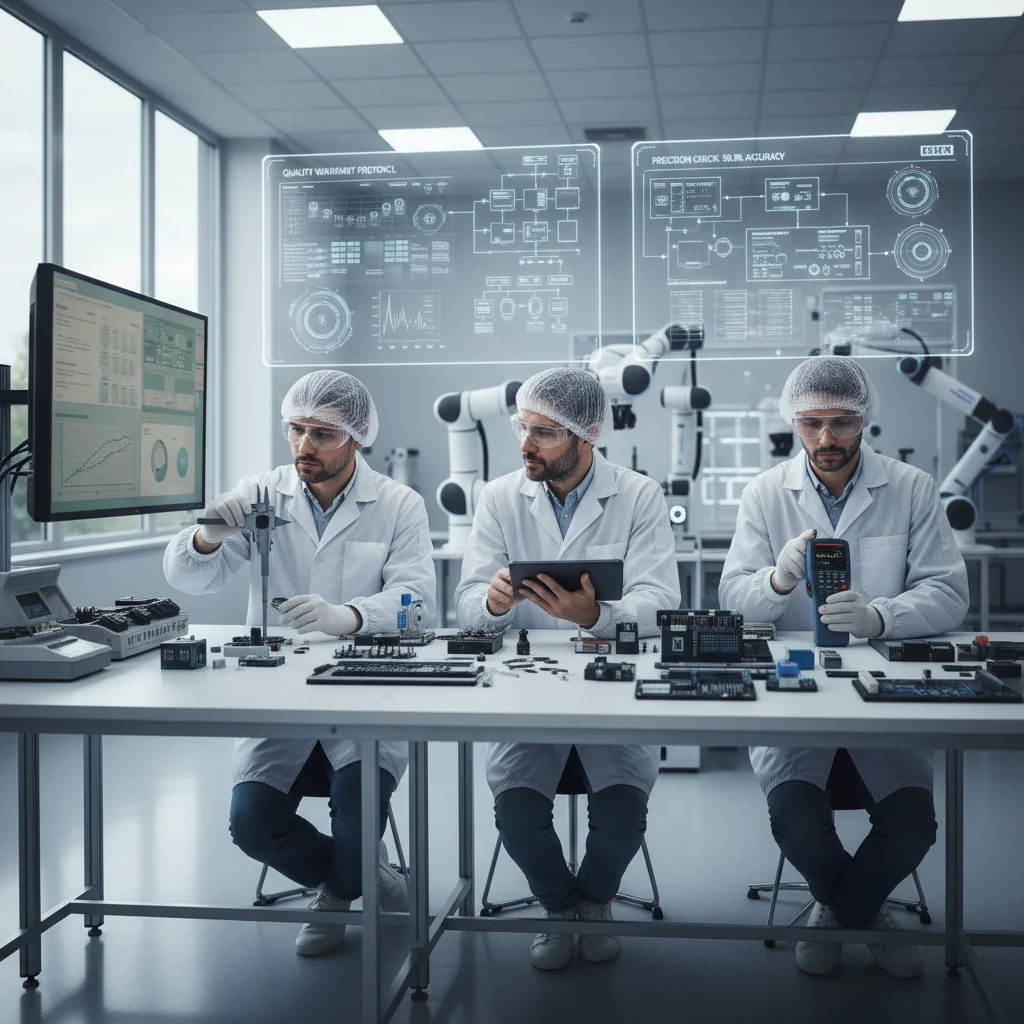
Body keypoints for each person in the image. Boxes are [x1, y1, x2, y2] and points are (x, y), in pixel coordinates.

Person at [164, 370, 435, 956]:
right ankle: (354, 880)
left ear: (357, 438)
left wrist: (351, 616)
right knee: (252, 825)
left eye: (322, 434)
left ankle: (337, 894)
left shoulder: (397, 504)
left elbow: (419, 601)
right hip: (278, 691)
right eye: (295, 429)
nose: (303, 446)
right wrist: (209, 534)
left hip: (364, 692)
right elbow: (189, 578)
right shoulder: (261, 493)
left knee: (360, 818)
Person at [720, 356, 968, 979]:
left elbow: (948, 593)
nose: (826, 439)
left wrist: (882, 617)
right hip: (795, 687)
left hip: (880, 686)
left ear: (865, 422)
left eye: (841, 422)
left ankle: (839, 908)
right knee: (797, 825)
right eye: (811, 423)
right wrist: (777, 581)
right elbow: (733, 597)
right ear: (792, 423)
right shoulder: (765, 493)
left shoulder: (910, 487)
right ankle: (861, 911)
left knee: (912, 829)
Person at [455, 367, 680, 971]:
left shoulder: (638, 496)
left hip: (612, 681)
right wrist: (493, 603)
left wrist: (597, 615)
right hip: (529, 685)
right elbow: (468, 599)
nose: (526, 444)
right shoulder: (499, 497)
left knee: (623, 815)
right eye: (523, 429)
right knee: (519, 814)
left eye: (545, 433)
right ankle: (559, 906)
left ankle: (596, 901)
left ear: (589, 436)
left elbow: (660, 600)